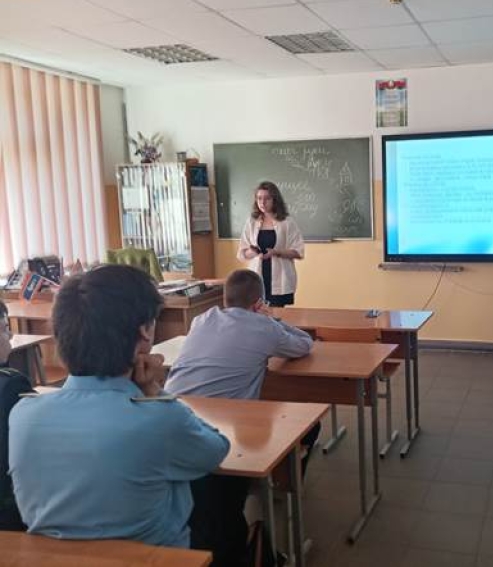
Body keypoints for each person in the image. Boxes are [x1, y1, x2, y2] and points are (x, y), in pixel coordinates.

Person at [8, 265, 229, 547]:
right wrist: (155, 392)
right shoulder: (159, 419)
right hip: (155, 558)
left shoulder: (23, 415)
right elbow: (215, 451)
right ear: (145, 332)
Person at [165, 269, 317, 567]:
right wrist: (273, 319)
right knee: (305, 426)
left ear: (225, 298)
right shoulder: (264, 327)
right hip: (221, 429)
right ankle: (282, 487)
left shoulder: (202, 319)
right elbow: (304, 344)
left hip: (173, 416)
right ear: (259, 302)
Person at [237, 182, 304, 307]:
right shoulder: (251, 222)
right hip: (257, 277)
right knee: (257, 313)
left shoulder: (287, 222)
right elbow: (242, 254)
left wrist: (277, 252)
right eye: (259, 198)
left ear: (275, 200)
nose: (262, 202)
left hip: (280, 278)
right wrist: (252, 252)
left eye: (267, 198)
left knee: (276, 314)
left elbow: (298, 252)